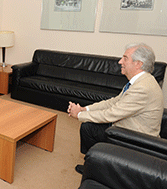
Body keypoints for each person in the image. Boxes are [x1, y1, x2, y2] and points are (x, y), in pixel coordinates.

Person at [67, 43, 164, 173]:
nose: (120, 62)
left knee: (88, 127)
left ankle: (95, 168)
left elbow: (111, 114)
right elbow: (114, 102)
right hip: (127, 127)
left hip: (135, 139)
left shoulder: (142, 88)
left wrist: (79, 115)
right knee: (88, 127)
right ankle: (94, 163)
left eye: (125, 58)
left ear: (138, 64)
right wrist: (85, 109)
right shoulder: (139, 82)